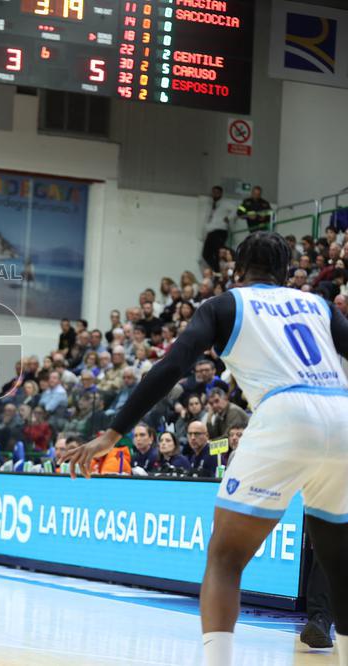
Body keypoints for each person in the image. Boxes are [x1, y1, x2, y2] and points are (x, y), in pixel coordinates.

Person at [61, 231, 348, 666]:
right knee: (339, 565)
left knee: (225, 556)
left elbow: (172, 366)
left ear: (236, 269)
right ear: (287, 272)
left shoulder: (224, 304)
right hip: (342, 414)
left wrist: (113, 432)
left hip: (284, 412)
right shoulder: (321, 305)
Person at [203, 186, 236, 272]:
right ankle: (218, 270)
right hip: (211, 231)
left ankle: (234, 256)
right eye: (213, 192)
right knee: (206, 254)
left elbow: (235, 209)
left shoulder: (225, 203)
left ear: (221, 193)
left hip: (220, 230)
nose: (215, 194)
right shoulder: (211, 205)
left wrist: (228, 218)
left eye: (217, 192)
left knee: (219, 251)